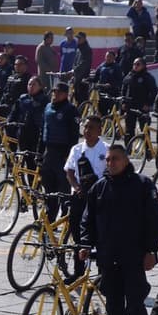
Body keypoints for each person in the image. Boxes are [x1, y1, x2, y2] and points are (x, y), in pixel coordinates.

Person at [79, 144, 158, 315]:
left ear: (126, 160)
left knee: (135, 305)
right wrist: (86, 244)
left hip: (133, 257)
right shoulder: (100, 187)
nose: (110, 163)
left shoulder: (142, 185)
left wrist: (151, 250)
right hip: (108, 257)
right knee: (113, 305)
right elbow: (88, 220)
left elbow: (154, 221)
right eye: (107, 159)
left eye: (115, 159)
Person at [63, 114, 107, 280]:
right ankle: (78, 272)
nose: (87, 131)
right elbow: (69, 171)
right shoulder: (76, 149)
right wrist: (76, 187)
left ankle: (103, 275)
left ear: (99, 131)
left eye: (91, 128)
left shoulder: (106, 149)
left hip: (99, 198)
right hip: (80, 197)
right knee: (78, 235)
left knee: (101, 236)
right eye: (85, 127)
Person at [39, 82, 78, 216]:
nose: (55, 94)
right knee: (48, 186)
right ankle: (50, 217)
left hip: (62, 153)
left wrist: (69, 155)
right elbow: (43, 130)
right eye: (54, 91)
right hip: (49, 152)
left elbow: (74, 135)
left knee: (63, 187)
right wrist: (40, 152)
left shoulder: (70, 110)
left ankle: (65, 215)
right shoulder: (48, 107)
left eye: (59, 92)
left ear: (65, 94)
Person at [120, 56, 156, 140]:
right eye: (134, 64)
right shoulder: (129, 76)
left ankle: (146, 147)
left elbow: (154, 92)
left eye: (138, 64)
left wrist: (148, 104)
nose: (135, 66)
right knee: (129, 130)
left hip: (142, 106)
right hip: (130, 106)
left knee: (144, 129)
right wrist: (123, 102)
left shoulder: (147, 77)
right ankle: (128, 146)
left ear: (143, 65)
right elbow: (123, 90)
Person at [91, 50, 122, 115]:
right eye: (107, 56)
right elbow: (96, 78)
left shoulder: (117, 67)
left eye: (110, 56)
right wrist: (87, 79)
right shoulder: (101, 66)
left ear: (114, 58)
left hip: (112, 93)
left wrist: (111, 85)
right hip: (102, 92)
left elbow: (119, 80)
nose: (108, 58)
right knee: (101, 112)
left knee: (111, 113)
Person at [71, 32, 92, 105]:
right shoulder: (79, 49)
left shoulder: (87, 49)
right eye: (77, 38)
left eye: (80, 38)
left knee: (82, 98)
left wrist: (75, 69)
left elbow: (85, 63)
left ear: (84, 39)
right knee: (76, 96)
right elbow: (75, 61)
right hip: (77, 77)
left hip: (83, 78)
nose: (78, 40)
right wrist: (73, 71)